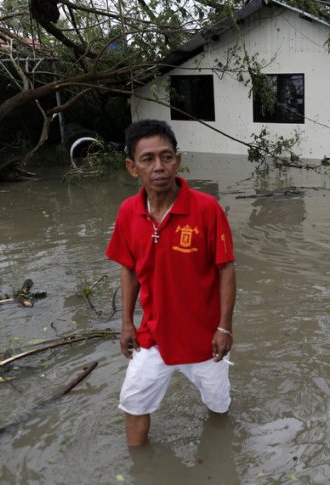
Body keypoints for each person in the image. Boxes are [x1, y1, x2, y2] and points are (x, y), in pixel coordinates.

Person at [106, 119, 236, 446]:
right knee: (133, 403)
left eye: (166, 157)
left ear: (178, 160)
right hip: (153, 336)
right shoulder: (127, 212)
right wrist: (126, 324)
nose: (159, 166)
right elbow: (129, 269)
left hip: (204, 340)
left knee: (218, 406)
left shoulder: (207, 209)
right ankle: (140, 469)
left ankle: (218, 459)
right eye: (148, 159)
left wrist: (224, 327)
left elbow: (226, 269)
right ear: (132, 167)